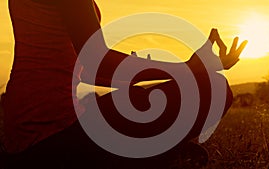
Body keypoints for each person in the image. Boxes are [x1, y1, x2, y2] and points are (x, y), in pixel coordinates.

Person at [2, 0, 247, 168]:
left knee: (136, 97)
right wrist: (189, 68)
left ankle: (155, 153)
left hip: (23, 137)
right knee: (213, 89)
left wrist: (184, 70)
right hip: (54, 136)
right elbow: (97, 61)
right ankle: (153, 156)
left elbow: (88, 72)